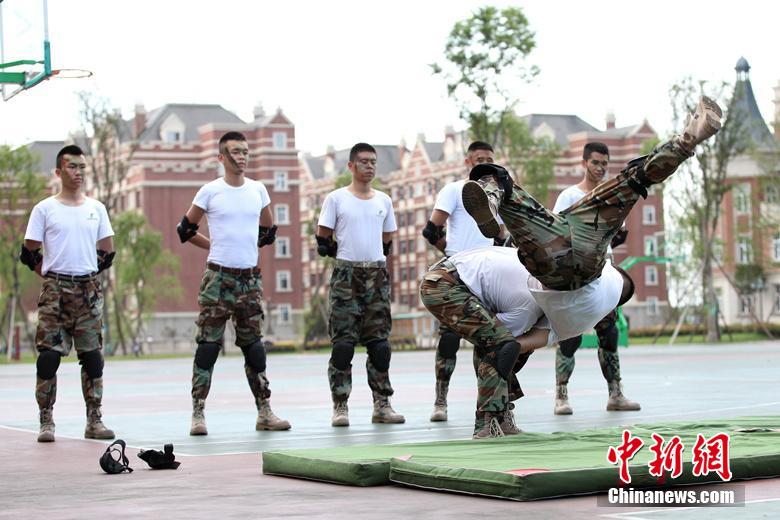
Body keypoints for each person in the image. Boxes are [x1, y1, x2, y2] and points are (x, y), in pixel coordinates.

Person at [461, 97, 722, 357]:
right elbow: (542, 335)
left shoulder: (608, 279)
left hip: (568, 244)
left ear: (619, 277)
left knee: (632, 180)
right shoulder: (590, 314)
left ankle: (494, 199)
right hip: (559, 268)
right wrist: (515, 347)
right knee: (633, 181)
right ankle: (690, 137)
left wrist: (512, 241)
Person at [177, 131, 289, 435]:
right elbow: (185, 229)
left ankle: (264, 411)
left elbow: (268, 231)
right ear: (222, 158)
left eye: (245, 152)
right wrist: (213, 245)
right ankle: (198, 413)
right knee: (208, 346)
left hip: (249, 279)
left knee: (254, 348)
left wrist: (246, 247)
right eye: (236, 152)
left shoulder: (258, 190)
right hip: (218, 277)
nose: (242, 157)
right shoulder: (210, 191)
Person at [21, 144, 116, 442]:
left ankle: (94, 420)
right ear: (59, 171)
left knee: (92, 357)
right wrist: (51, 274)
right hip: (55, 290)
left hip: (87, 289)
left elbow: (107, 252)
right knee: (49, 357)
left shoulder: (96, 209)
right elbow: (29, 252)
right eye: (72, 167)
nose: (79, 172)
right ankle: (46, 421)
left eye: (82, 167)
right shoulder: (45, 209)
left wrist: (85, 274)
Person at [420, 246, 551, 438]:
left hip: (453, 279)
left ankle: (498, 418)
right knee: (502, 347)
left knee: (500, 343)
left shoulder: (538, 282)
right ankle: (488, 423)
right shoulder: (528, 304)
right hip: (443, 284)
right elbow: (502, 347)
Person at [316, 142, 404, 427]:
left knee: (380, 345)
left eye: (373, 162)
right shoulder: (336, 199)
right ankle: (340, 404)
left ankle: (382, 404)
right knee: (343, 344)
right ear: (351, 166)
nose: (370, 166)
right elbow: (323, 236)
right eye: (364, 162)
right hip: (346, 276)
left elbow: (388, 237)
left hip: (376, 275)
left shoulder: (384, 200)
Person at [422, 141, 507, 422]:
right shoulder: (454, 190)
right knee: (448, 339)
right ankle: (440, 400)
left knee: (487, 339)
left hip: (487, 273)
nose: (483, 164)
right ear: (468, 162)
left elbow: (503, 236)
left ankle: (487, 404)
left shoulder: (498, 195)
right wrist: (449, 252)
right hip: (457, 271)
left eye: (489, 160)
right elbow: (431, 229)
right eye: (478, 159)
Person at [551, 142, 639, 415]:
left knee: (609, 333)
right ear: (585, 162)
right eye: (596, 162)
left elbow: (619, 233)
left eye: (604, 163)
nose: (600, 168)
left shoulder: (609, 196)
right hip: (577, 276)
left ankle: (615, 394)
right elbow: (555, 234)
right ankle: (561, 396)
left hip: (605, 273)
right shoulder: (569, 196)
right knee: (572, 335)